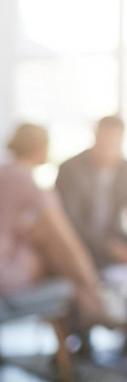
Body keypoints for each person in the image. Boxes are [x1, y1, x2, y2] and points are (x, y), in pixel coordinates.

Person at [0, 123, 120, 331]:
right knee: (59, 245)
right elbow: (64, 236)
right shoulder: (25, 180)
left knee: (44, 239)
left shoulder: (5, 174)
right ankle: (94, 302)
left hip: (9, 261)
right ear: (40, 147)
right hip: (5, 274)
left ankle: (91, 304)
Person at [55, 114, 127, 352]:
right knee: (81, 270)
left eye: (115, 141)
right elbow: (70, 221)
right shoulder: (71, 168)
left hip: (113, 238)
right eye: (106, 139)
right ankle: (82, 339)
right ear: (96, 136)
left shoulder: (125, 168)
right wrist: (108, 246)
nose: (110, 146)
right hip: (77, 243)